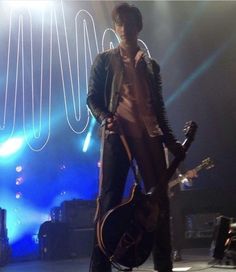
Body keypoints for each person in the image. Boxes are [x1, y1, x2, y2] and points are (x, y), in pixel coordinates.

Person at [87, 3, 185, 272]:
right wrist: (106, 117)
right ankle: (99, 267)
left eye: (129, 23)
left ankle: (163, 265)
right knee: (108, 201)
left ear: (138, 27)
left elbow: (159, 109)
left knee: (159, 203)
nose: (124, 29)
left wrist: (172, 141)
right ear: (116, 27)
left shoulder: (151, 66)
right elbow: (92, 98)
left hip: (150, 138)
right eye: (120, 24)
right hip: (118, 139)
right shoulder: (104, 60)